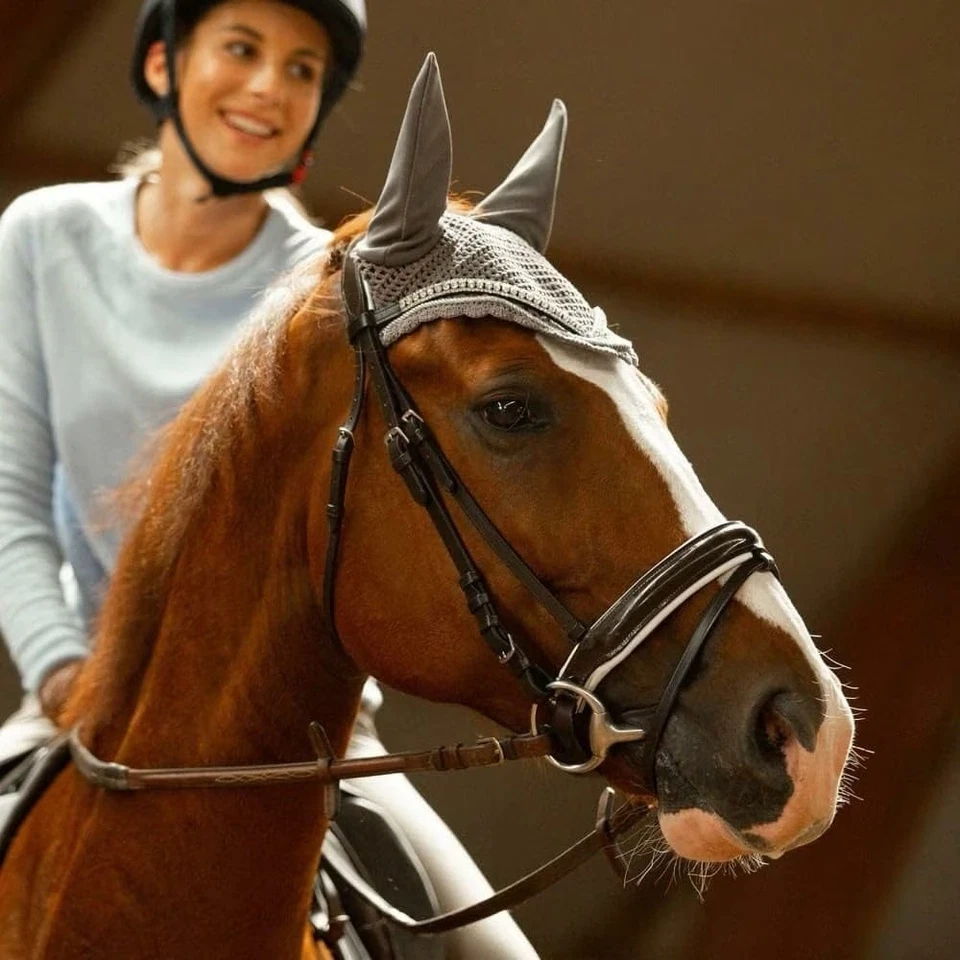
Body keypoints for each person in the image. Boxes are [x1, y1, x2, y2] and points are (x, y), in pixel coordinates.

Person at [0, 2, 538, 957]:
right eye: (242, 51)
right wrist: (63, 676)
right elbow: (9, 501)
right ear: (165, 65)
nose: (268, 88)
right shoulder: (41, 239)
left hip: (302, 730)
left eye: (302, 70)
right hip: (75, 705)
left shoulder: (324, 290)